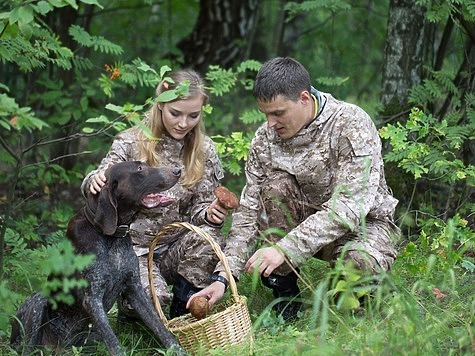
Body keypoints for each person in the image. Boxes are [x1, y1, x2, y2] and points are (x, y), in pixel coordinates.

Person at [188, 57, 401, 320]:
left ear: (304, 98)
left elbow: (350, 207)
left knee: (355, 274)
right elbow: (249, 212)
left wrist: (286, 248)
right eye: (265, 114)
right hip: (303, 223)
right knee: (274, 188)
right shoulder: (265, 139)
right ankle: (285, 297)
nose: (270, 123)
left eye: (278, 113)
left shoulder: (350, 123)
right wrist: (224, 275)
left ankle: (359, 290)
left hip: (364, 226)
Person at [81, 69, 229, 318]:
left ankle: (183, 314)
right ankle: (134, 311)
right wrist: (92, 181)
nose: (184, 123)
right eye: (175, 113)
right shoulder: (130, 142)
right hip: (131, 250)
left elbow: (200, 209)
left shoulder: (203, 149)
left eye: (193, 115)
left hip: (175, 247)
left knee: (207, 239)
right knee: (153, 301)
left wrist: (210, 214)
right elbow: (101, 178)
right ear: (160, 105)